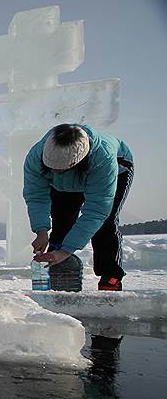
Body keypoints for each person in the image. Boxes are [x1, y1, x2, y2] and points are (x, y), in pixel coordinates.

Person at [23, 124, 134, 291]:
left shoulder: (103, 158)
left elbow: (97, 211)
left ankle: (110, 276)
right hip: (63, 183)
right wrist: (41, 231)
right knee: (62, 219)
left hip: (117, 170)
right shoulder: (35, 156)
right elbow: (36, 196)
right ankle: (58, 270)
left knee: (106, 223)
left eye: (59, 169)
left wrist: (66, 251)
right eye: (50, 166)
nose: (53, 170)